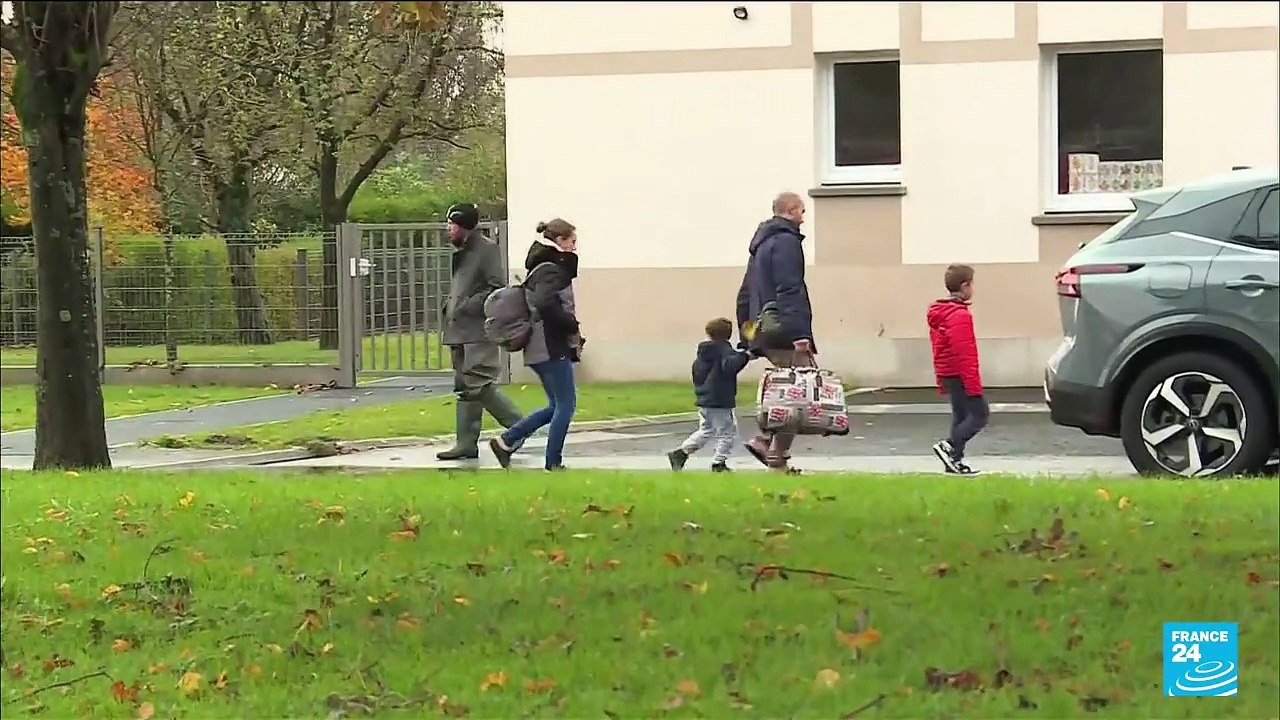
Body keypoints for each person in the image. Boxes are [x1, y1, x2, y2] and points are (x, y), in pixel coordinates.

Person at [489, 218, 582, 471]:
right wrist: (570, 324)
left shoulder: (542, 266)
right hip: (549, 344)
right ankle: (553, 462)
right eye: (572, 241)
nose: (575, 247)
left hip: (540, 345)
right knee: (566, 405)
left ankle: (506, 441)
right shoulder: (551, 269)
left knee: (556, 405)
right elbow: (545, 303)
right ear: (559, 241)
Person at [436, 203, 524, 460]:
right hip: (458, 330)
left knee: (479, 383)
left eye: (452, 224)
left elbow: (496, 287)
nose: (448, 229)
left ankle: (518, 428)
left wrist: (465, 306)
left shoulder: (486, 250)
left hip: (476, 330)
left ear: (463, 225)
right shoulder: (463, 251)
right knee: (465, 387)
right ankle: (466, 443)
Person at [735, 191, 814, 473]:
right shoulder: (786, 242)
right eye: (802, 211)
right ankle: (769, 447)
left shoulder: (761, 245)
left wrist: (748, 335)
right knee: (800, 391)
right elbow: (790, 288)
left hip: (765, 329)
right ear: (791, 210)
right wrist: (799, 333)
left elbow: (745, 293)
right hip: (782, 329)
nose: (804, 218)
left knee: (790, 390)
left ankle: (775, 454)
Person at [667, 317, 753, 472]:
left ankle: (681, 453)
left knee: (707, 429)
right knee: (728, 433)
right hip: (719, 399)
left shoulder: (703, 353)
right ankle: (718, 463)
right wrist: (745, 356)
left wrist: (741, 354)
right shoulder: (723, 350)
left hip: (704, 399)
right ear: (728, 334)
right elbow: (729, 366)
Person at [927, 263, 987, 475]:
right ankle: (950, 446)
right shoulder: (959, 315)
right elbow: (965, 353)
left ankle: (954, 462)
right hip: (960, 372)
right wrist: (973, 384)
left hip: (949, 371)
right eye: (972, 284)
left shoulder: (942, 311)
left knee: (961, 416)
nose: (973, 289)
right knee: (980, 415)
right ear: (964, 286)